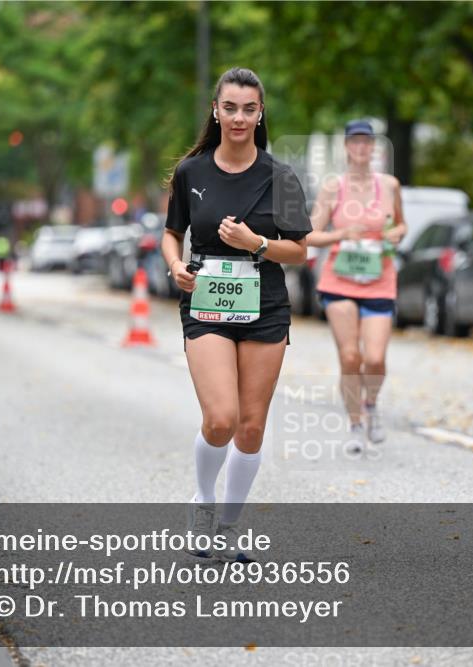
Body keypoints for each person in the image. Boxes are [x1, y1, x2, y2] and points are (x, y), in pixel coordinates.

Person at [161, 67, 311, 563]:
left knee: (250, 428)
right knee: (221, 418)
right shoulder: (192, 172)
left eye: (249, 108)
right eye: (230, 107)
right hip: (206, 304)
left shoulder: (280, 176)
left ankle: (227, 527)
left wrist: (258, 243)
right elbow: (171, 231)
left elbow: (300, 252)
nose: (239, 117)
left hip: (264, 307)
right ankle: (203, 503)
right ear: (216, 110)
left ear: (260, 113)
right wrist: (175, 265)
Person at [306, 120, 407, 451]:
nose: (362, 148)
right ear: (347, 147)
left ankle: (371, 405)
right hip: (340, 280)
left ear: (374, 147)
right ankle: (354, 425)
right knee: (350, 356)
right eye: (355, 142)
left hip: (379, 280)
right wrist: (341, 234)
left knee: (374, 359)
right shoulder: (333, 187)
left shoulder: (390, 185)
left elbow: (401, 225)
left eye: (367, 142)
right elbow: (310, 234)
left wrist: (397, 233)